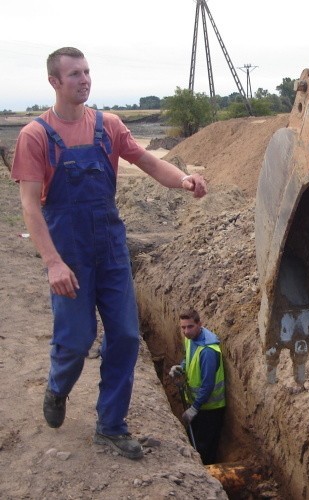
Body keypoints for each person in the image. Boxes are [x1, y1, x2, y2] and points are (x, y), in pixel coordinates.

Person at [10, 47, 207, 460]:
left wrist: (184, 181)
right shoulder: (35, 136)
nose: (84, 80)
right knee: (78, 338)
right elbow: (30, 205)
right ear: (55, 82)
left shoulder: (109, 126)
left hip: (111, 250)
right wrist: (52, 262)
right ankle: (57, 387)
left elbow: (150, 164)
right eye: (74, 74)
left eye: (87, 72)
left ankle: (110, 425)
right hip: (70, 254)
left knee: (125, 337)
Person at [169, 309, 225, 465]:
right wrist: (181, 367)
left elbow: (208, 385)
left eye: (190, 327)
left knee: (204, 448)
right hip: (199, 405)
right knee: (193, 442)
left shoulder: (208, 351)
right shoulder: (191, 338)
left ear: (200, 325)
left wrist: (195, 408)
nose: (186, 331)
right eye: (183, 327)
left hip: (210, 409)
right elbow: (189, 358)